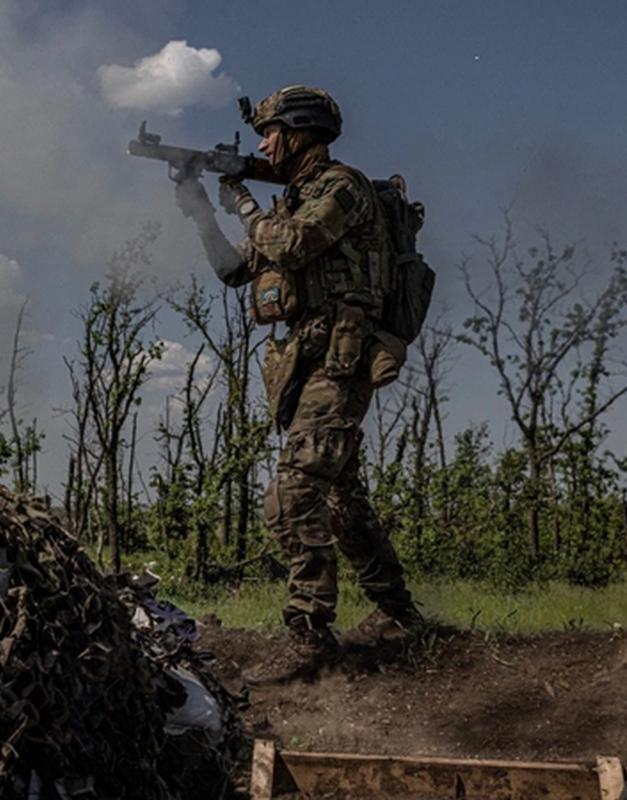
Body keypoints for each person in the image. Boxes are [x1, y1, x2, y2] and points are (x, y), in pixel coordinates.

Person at [174, 86, 421, 685]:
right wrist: (201, 205)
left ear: (300, 132)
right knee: (341, 501)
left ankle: (309, 633)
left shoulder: (343, 187)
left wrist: (239, 198)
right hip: (308, 365)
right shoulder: (289, 203)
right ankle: (404, 618)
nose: (262, 144)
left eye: (270, 133)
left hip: (343, 360)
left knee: (290, 493)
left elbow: (290, 243)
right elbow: (236, 270)